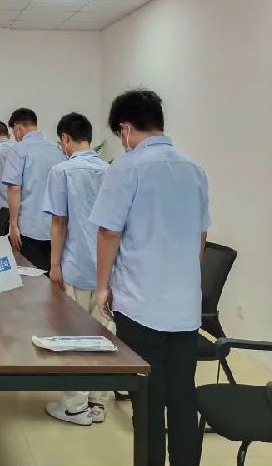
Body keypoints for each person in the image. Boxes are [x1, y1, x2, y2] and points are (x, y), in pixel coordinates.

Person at [90, 89, 209, 466]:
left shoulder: (126, 168)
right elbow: (200, 236)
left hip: (140, 304)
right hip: (185, 307)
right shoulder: (193, 169)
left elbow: (109, 233)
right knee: (183, 394)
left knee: (148, 398)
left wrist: (102, 287)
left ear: (125, 129)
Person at [42, 112, 111, 426]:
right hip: (109, 271)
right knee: (104, 337)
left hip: (76, 265)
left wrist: (54, 264)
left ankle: (75, 407)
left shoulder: (62, 171)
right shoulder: (111, 170)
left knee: (73, 337)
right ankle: (98, 402)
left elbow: (59, 221)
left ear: (65, 138)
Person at [2, 108, 65, 271]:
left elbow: (14, 188)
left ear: (17, 127)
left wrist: (13, 225)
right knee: (52, 276)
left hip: (29, 229)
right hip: (56, 229)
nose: (15, 136)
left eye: (13, 132)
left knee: (30, 276)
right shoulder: (57, 149)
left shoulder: (18, 149)